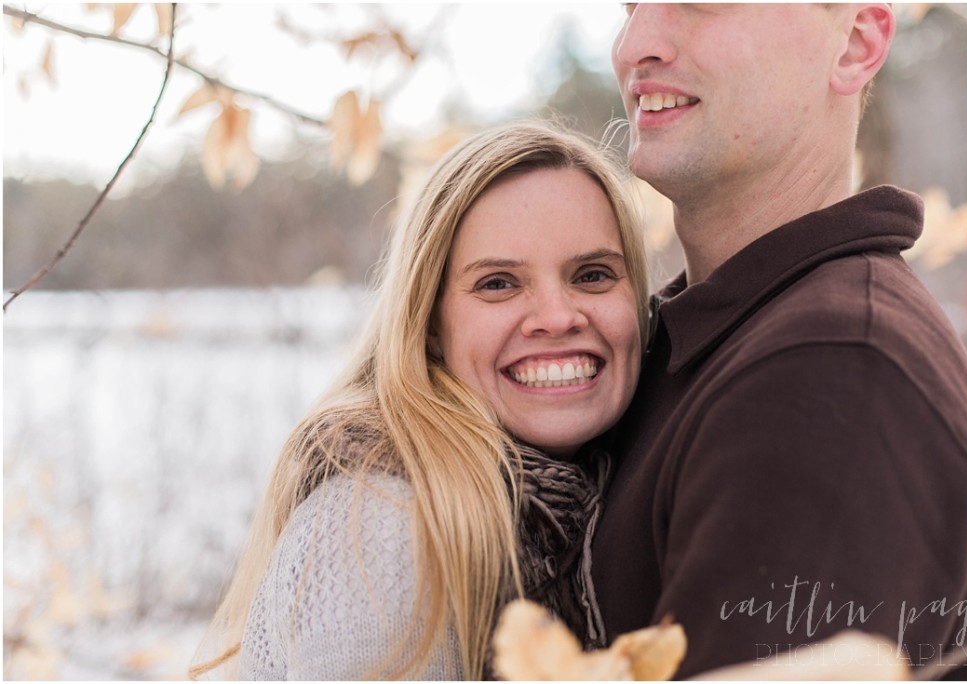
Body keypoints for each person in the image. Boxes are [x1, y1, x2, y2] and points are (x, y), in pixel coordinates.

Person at [591, 3, 967, 680]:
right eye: (629, 5)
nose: (633, 44)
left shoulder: (832, 375)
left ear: (852, 44)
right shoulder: (693, 344)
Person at [189, 121, 651, 680]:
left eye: (593, 274)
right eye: (499, 283)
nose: (558, 317)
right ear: (429, 323)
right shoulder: (379, 526)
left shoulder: (607, 488)